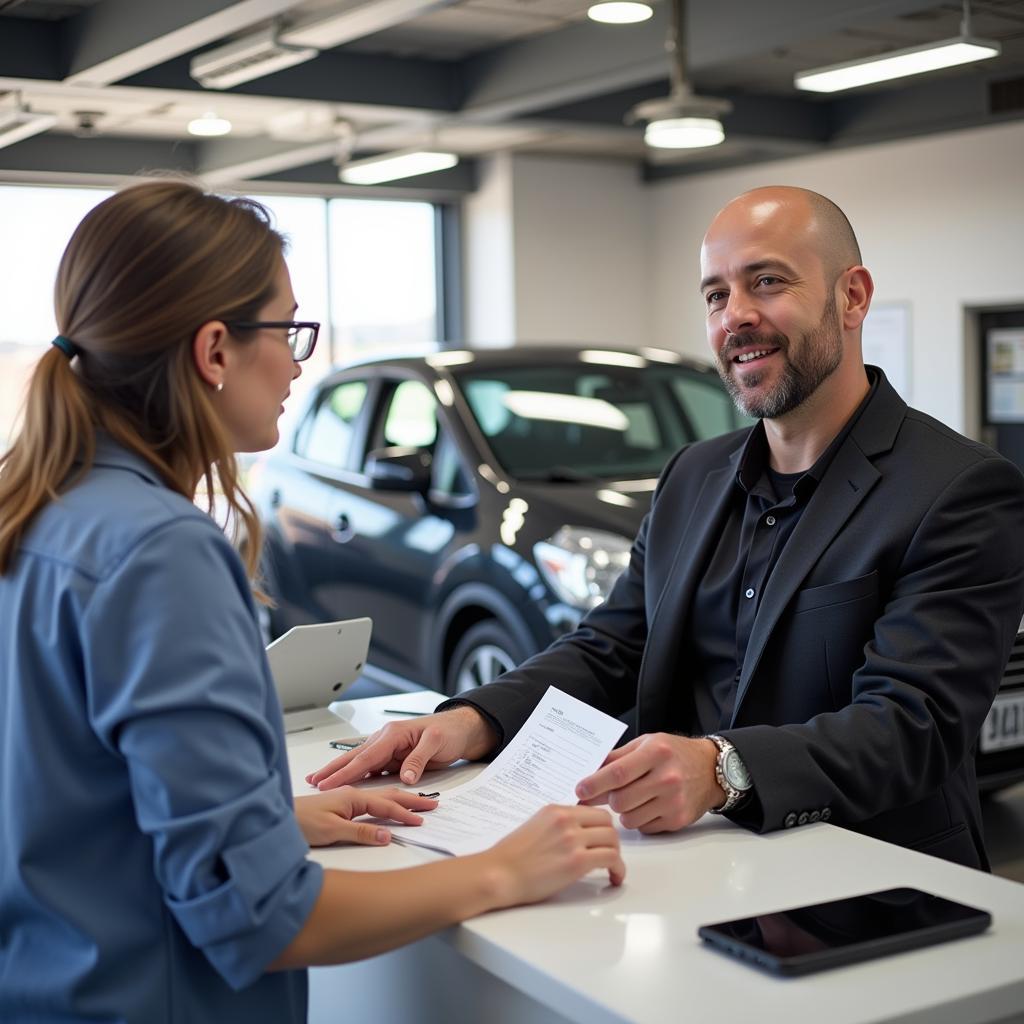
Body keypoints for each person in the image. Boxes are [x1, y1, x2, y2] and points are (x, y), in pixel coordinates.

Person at [0, 179, 624, 1024]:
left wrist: (270, 822)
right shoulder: (160, 553)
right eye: (288, 329)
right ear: (214, 350)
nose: (298, 361)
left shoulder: (37, 511)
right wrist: (505, 869)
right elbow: (259, 920)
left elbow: (69, 802)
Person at [310, 185, 1024, 872]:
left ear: (853, 296)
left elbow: (912, 724)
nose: (735, 316)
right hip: (692, 869)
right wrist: (472, 721)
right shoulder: (693, 477)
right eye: (716, 295)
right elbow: (611, 646)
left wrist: (722, 769)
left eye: (767, 282)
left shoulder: (955, 489)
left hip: (873, 885)